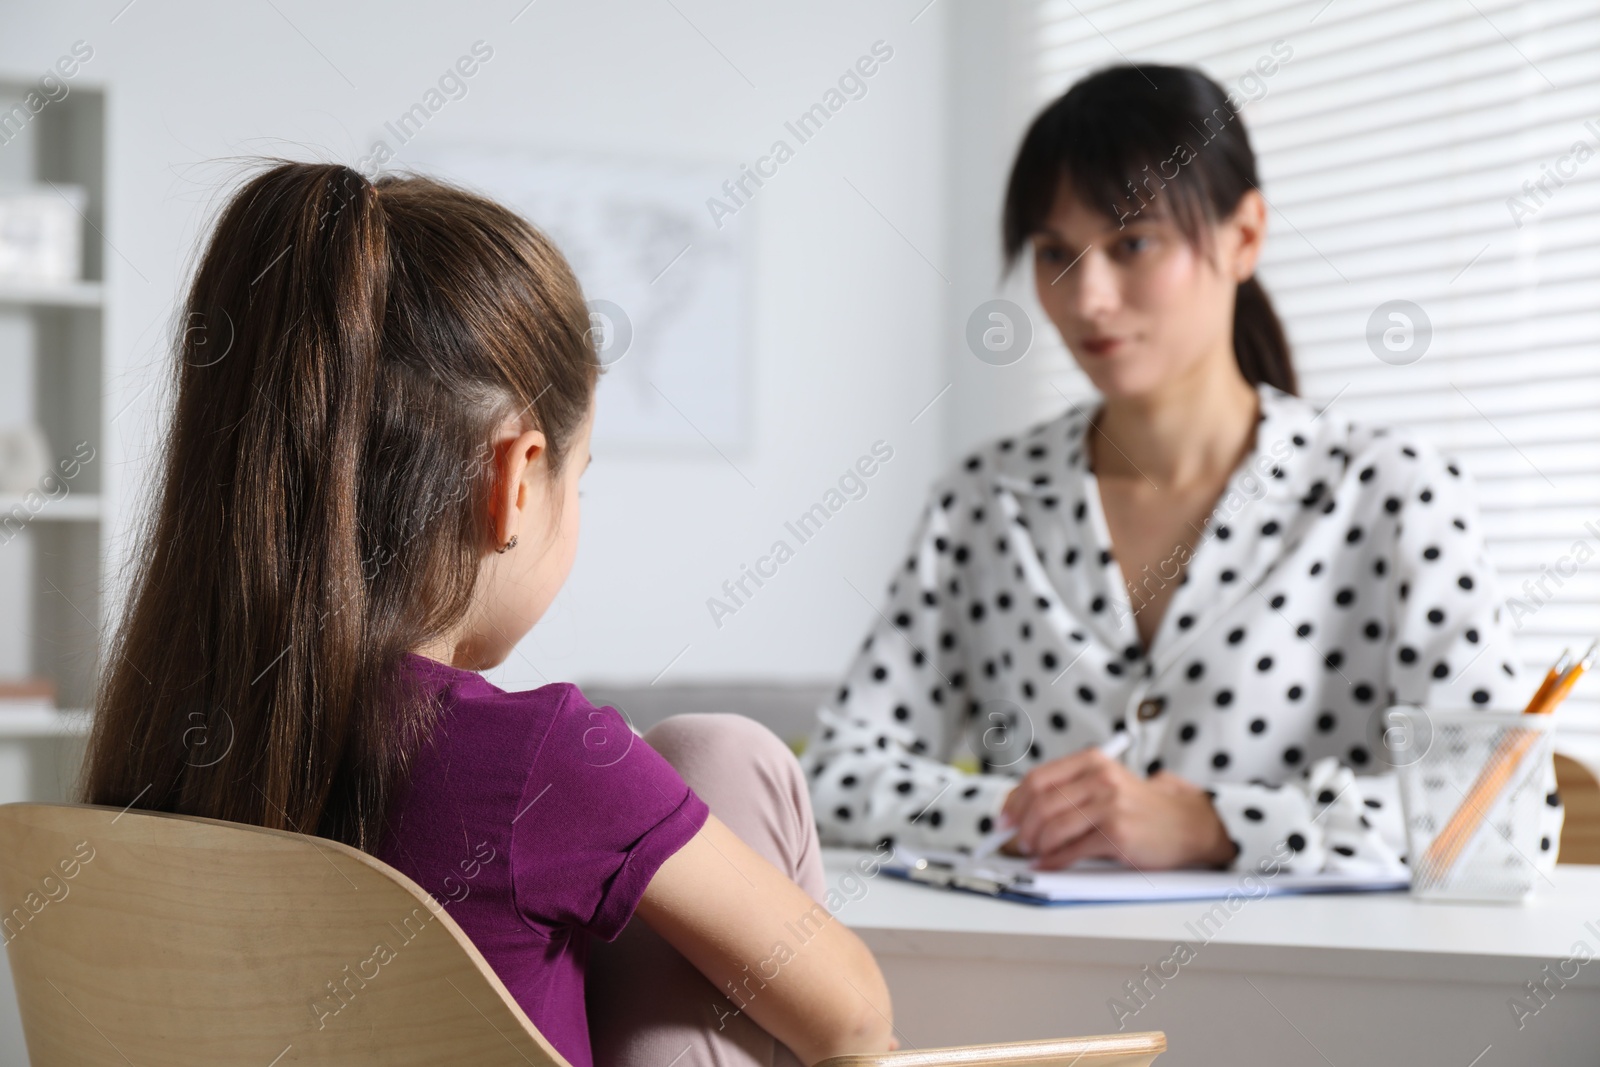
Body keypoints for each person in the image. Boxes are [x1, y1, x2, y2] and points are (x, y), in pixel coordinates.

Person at [79, 161, 894, 1067]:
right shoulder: (544, 762)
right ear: (512, 481)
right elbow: (854, 1016)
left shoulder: (154, 746)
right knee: (727, 752)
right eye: (576, 481)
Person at [801, 64, 1563, 876]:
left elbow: (1498, 813)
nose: (1086, 296)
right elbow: (833, 776)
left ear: (1244, 238)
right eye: (1055, 251)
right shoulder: (986, 501)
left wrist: (1216, 825)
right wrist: (1028, 815)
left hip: (1314, 995)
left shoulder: (1392, 493)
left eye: (1132, 243)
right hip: (1033, 988)